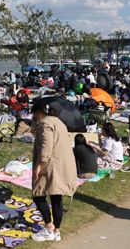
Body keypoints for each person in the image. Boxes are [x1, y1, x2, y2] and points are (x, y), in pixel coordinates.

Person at [30, 104, 77, 242]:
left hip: (51, 164)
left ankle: (49, 228)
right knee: (56, 197)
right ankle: (57, 231)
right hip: (62, 163)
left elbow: (46, 146)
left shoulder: (46, 123)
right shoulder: (60, 122)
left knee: (38, 194)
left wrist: (39, 165)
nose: (34, 116)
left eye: (35, 113)